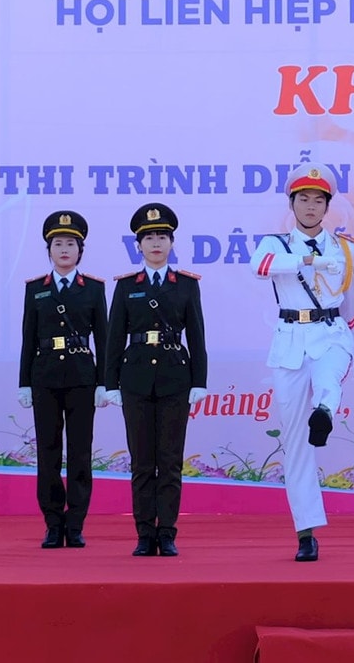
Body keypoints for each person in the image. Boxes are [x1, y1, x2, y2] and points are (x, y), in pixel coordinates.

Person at [251, 163, 354, 562]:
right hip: (291, 340)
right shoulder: (275, 245)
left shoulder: (344, 247)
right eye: (303, 199)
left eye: (318, 200)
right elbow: (259, 268)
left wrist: (346, 336)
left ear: (327, 206)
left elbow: (351, 301)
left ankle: (326, 411)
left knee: (330, 379)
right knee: (295, 442)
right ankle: (306, 530)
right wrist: (307, 262)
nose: (311, 207)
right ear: (292, 204)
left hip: (329, 332)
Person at [104, 202, 209, 557]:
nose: (156, 244)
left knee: (170, 459)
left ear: (171, 243)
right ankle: (144, 533)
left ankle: (168, 531)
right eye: (149, 237)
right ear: (138, 245)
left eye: (162, 237)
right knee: (141, 461)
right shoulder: (125, 287)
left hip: (174, 379)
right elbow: (113, 338)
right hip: (135, 379)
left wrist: (199, 381)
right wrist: (111, 383)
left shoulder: (185, 285)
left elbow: (196, 335)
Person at [18, 210, 107, 550]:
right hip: (45, 379)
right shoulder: (36, 289)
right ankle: (53, 523)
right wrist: (24, 382)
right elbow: (28, 338)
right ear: (49, 250)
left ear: (80, 250)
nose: (64, 249)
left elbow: (104, 337)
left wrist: (104, 382)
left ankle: (76, 523)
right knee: (49, 453)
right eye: (58, 244)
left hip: (83, 378)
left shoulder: (94, 289)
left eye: (71, 243)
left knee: (81, 453)